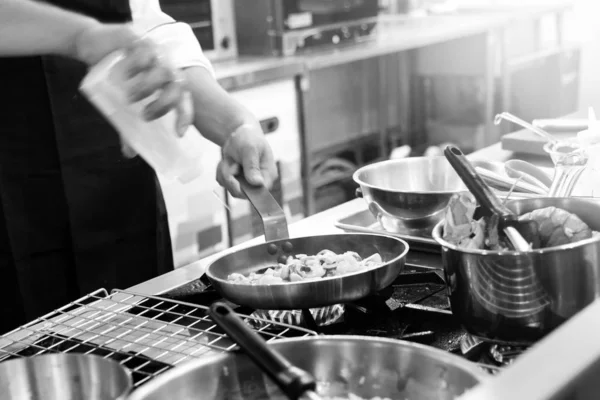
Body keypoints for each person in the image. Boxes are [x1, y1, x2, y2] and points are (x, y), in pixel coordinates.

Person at [0, 0, 277, 333]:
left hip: (113, 189)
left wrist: (234, 124)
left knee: (136, 338)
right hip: (10, 194)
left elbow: (148, 31)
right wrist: (83, 36)